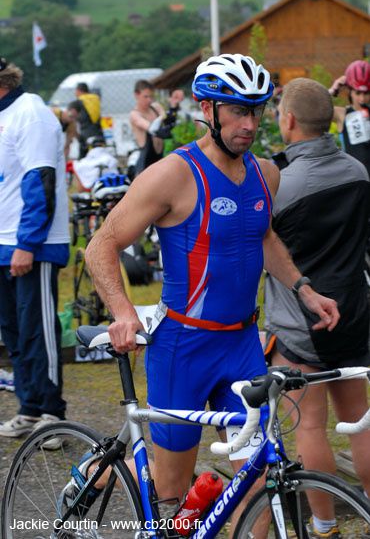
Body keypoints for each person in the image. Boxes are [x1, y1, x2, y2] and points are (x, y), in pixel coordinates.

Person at [60, 54, 339, 533]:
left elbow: (263, 237)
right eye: (237, 111)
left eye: (257, 110)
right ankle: (97, 469)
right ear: (207, 109)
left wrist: (303, 288)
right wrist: (123, 312)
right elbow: (101, 245)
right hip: (182, 347)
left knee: (257, 477)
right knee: (169, 488)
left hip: (242, 345)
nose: (250, 124)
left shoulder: (265, 174)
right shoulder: (172, 175)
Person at [265, 77, 370, 538]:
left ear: (287, 120)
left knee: (309, 424)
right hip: (354, 311)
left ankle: (324, 523)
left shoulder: (281, 183)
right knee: (359, 421)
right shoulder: (358, 171)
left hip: (299, 319)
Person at [0, 58, 69, 445]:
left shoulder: (31, 113)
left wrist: (27, 244)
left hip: (35, 244)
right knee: (13, 332)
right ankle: (28, 408)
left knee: (37, 331)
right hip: (3, 242)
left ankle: (51, 414)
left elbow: (40, 181)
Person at [329, 60, 370, 176]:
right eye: (357, 93)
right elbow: (310, 110)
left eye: (366, 93)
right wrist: (332, 90)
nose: (362, 99)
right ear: (350, 91)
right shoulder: (342, 114)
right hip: (355, 181)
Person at [129, 79, 171, 177]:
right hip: (145, 162)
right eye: (146, 96)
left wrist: (173, 108)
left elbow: (167, 119)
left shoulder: (155, 107)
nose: (149, 100)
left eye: (151, 96)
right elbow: (151, 128)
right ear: (136, 95)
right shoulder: (135, 114)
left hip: (159, 158)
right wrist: (161, 128)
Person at [68, 82, 104, 158]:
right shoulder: (96, 99)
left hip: (85, 136)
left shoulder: (77, 103)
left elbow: (69, 116)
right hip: (99, 133)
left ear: (78, 91)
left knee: (83, 159)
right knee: (99, 157)